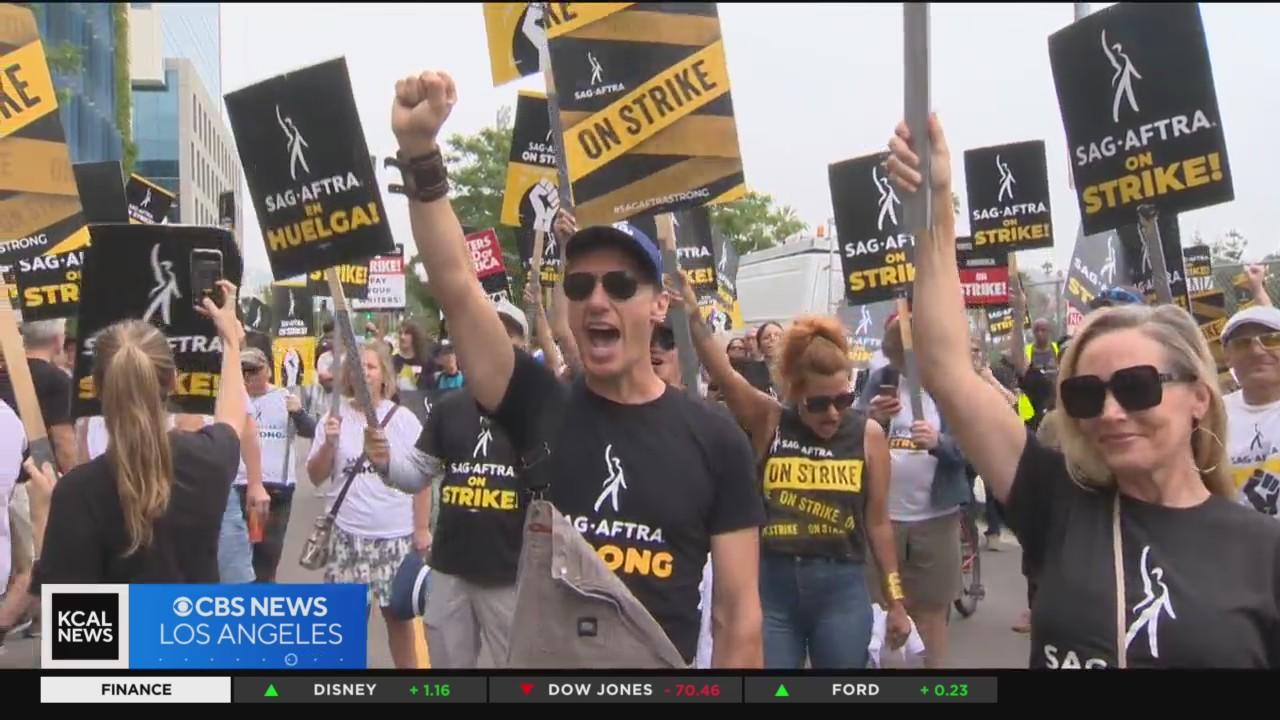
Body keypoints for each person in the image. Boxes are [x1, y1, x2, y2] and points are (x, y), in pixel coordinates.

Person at [389, 68, 765, 667]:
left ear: (659, 305)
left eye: (620, 285)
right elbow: (458, 288)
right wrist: (419, 154)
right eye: (580, 285)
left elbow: (738, 618)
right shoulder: (539, 406)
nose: (596, 299)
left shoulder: (716, 440)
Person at [888, 113, 1280, 668]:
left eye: (1137, 387)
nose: (1112, 412)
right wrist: (935, 211)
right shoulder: (1057, 503)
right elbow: (946, 367)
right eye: (1087, 394)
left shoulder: (1263, 552)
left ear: (1199, 396)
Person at [668, 270, 909, 668]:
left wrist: (895, 600)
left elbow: (879, 524)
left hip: (841, 588)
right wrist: (694, 317)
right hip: (773, 588)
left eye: (843, 399)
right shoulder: (770, 420)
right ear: (795, 394)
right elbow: (725, 376)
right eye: (818, 403)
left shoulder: (867, 435)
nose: (832, 414)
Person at [9, 282, 247, 595]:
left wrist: (42, 515)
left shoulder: (77, 492)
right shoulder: (209, 460)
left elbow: (68, 614)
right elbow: (233, 414)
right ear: (174, 380)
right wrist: (231, 342)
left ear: (96, 389)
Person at [384, 300, 529, 668]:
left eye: (506, 336)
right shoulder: (450, 408)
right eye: (486, 333)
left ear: (523, 346)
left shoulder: (543, 408)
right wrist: (383, 461)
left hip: (513, 576)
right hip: (449, 571)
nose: (495, 343)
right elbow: (416, 473)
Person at [306, 341, 428, 669]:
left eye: (371, 366)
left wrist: (421, 529)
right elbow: (315, 476)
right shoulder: (333, 419)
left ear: (384, 375)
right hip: (347, 538)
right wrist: (329, 445)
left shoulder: (403, 420)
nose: (364, 373)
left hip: (395, 538)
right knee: (345, 627)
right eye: (357, 366)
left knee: (399, 621)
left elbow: (422, 478)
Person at [856, 313, 968, 668]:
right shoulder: (880, 381)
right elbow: (849, 434)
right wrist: (872, 417)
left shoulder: (952, 386)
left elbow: (973, 448)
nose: (907, 364)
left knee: (931, 609)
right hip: (883, 518)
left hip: (935, 518)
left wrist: (939, 443)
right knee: (883, 607)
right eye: (900, 354)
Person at [237, 348, 317, 581]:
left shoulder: (284, 397)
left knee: (266, 559)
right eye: (244, 371)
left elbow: (311, 431)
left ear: (268, 371)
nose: (249, 377)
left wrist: (298, 413)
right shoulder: (232, 398)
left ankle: (263, 596)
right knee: (238, 561)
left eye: (254, 371)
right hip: (239, 486)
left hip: (276, 488)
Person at [1221, 306, 1280, 518]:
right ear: (1227, 356)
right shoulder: (1211, 416)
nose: (1256, 351)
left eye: (1271, 339)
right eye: (1242, 343)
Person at [393, 321, 434, 391]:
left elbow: (432, 389)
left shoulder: (427, 361)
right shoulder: (393, 361)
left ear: (415, 336)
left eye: (406, 333)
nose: (402, 337)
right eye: (400, 333)